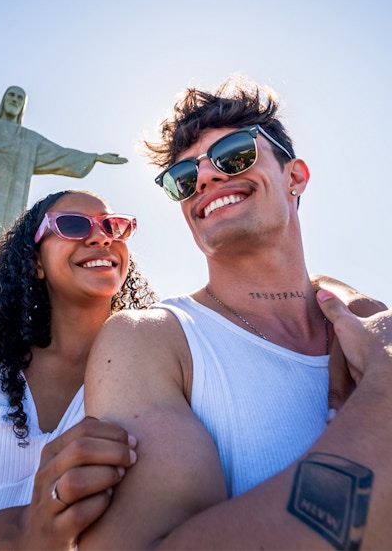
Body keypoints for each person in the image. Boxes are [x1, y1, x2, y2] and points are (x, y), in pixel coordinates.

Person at [73, 76, 391, 549]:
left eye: (234, 154)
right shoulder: (153, 341)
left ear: (295, 177)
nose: (204, 178)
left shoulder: (367, 325)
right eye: (182, 179)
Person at [0, 189, 156, 550]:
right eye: (73, 225)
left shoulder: (154, 372)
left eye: (113, 226)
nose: (100, 237)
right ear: (35, 262)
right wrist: (22, 531)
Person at [0, 86, 128, 305]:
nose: (14, 100)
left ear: (23, 106)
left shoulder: (28, 141)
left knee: (0, 261)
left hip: (5, 216)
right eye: (11, 95)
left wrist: (95, 157)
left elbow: (59, 154)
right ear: (3, 100)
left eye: (19, 97)